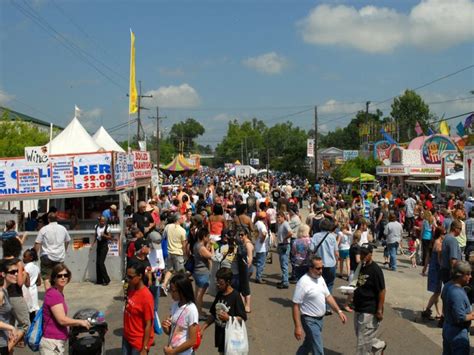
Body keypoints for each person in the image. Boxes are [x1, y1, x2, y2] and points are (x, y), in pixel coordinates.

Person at [292, 256, 347, 355]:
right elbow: (296, 305)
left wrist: (339, 311)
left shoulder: (320, 278)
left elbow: (328, 296)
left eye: (322, 267)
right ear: (310, 268)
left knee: (308, 344)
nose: (321, 271)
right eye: (318, 268)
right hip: (309, 320)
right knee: (318, 350)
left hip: (320, 320)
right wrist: (297, 326)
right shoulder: (303, 282)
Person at [40, 264, 90, 354]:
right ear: (54, 278)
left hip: (55, 341)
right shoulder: (54, 294)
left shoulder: (58, 293)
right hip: (52, 342)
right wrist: (80, 322)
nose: (63, 278)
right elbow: (62, 320)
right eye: (59, 276)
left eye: (65, 275)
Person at [202, 267, 247, 355]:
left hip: (231, 337)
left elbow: (242, 318)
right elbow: (213, 314)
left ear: (228, 282)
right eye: (217, 282)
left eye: (221, 283)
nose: (218, 285)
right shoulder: (220, 294)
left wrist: (228, 318)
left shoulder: (236, 296)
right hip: (220, 335)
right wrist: (202, 328)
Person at [353, 244, 386, 355]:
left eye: (365, 254)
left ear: (371, 254)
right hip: (358, 307)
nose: (362, 256)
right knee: (361, 336)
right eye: (361, 253)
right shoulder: (361, 266)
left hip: (369, 309)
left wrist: (379, 310)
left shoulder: (376, 270)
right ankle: (379, 345)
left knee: (362, 344)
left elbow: (382, 291)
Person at [161, 273, 199, 355]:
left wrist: (173, 352)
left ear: (182, 291)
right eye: (170, 290)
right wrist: (166, 328)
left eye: (173, 291)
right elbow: (173, 331)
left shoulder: (191, 310)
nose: (171, 293)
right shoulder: (175, 304)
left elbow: (192, 340)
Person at [441, 261, 473, 355]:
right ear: (460, 275)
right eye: (468, 274)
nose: (470, 276)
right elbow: (460, 317)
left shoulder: (447, 285)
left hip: (447, 326)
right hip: (457, 333)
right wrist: (471, 316)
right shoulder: (457, 293)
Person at [123, 263, 154, 354]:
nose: (127, 279)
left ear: (140, 276)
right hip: (127, 337)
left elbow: (149, 324)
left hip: (138, 342)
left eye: (130, 277)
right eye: (126, 276)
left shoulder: (146, 297)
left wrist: (144, 348)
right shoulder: (131, 288)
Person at [34, 212, 71, 290]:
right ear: (56, 219)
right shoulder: (63, 228)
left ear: (48, 219)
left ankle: (49, 296)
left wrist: (34, 254)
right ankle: (59, 295)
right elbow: (67, 240)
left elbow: (37, 243)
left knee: (46, 277)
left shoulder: (43, 229)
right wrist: (64, 249)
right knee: (60, 276)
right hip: (59, 256)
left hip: (46, 256)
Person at [310, 218, 338, 313]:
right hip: (331, 264)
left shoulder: (316, 236)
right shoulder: (332, 237)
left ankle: (318, 305)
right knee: (329, 284)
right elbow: (336, 253)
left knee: (318, 285)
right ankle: (327, 307)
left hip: (319, 264)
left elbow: (311, 248)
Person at [422, 227, 445, 321]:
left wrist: (424, 268)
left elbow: (427, 257)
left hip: (432, 268)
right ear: (441, 234)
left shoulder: (433, 242)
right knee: (437, 292)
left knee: (436, 292)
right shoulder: (439, 243)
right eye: (444, 233)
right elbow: (439, 260)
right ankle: (427, 310)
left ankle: (438, 313)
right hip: (437, 269)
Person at [0, 259, 23, 355]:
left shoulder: (5, 291)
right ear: (3, 274)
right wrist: (11, 327)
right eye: (12, 272)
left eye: (17, 271)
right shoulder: (0, 293)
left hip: (4, 341)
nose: (16, 274)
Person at [161, 213, 187, 294]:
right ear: (178, 219)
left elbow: (163, 236)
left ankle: (164, 284)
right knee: (180, 272)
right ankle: (178, 288)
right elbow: (183, 244)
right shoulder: (182, 230)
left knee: (169, 270)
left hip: (169, 251)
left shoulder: (168, 226)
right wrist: (185, 254)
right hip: (178, 252)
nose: (183, 219)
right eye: (182, 218)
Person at [192, 227, 213, 318]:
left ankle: (198, 311)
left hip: (197, 271)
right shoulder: (201, 248)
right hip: (202, 272)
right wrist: (212, 247)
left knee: (198, 293)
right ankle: (198, 314)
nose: (209, 238)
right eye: (207, 236)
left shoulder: (196, 245)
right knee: (200, 295)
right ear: (204, 236)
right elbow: (212, 256)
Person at [90, 216, 114, 286]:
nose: (102, 222)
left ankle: (107, 279)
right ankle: (99, 280)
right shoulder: (96, 227)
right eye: (101, 221)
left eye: (104, 221)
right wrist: (92, 245)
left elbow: (110, 237)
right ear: (99, 221)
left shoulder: (107, 227)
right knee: (97, 263)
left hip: (104, 246)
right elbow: (95, 236)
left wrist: (105, 235)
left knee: (101, 263)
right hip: (99, 245)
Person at [440, 220, 463, 284]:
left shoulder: (446, 237)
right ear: (455, 228)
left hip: (445, 269)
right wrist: (454, 275)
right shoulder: (452, 240)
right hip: (450, 271)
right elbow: (453, 260)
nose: (461, 231)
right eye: (460, 229)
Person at [22, 248, 41, 322]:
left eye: (24, 256)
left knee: (26, 310)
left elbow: (27, 284)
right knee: (33, 312)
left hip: (27, 291)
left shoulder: (26, 268)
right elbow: (39, 283)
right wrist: (33, 283)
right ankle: (33, 328)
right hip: (34, 291)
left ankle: (27, 330)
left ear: (30, 258)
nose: (23, 258)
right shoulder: (36, 267)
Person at [276, 212, 293, 289]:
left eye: (279, 217)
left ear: (283, 217)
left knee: (284, 264)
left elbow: (290, 233)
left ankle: (285, 282)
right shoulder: (280, 224)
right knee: (282, 264)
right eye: (277, 217)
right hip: (281, 245)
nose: (278, 219)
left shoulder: (285, 224)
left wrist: (285, 239)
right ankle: (284, 280)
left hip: (285, 245)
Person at [254, 212, 269, 284]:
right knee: (261, 263)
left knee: (259, 262)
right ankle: (258, 277)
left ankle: (258, 276)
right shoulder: (262, 225)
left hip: (258, 245)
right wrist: (262, 240)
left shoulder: (256, 223)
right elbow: (264, 234)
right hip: (262, 247)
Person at [421, 210, 435, 276]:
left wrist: (420, 236)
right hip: (430, 237)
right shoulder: (432, 221)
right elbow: (434, 228)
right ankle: (429, 262)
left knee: (424, 250)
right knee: (429, 250)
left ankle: (424, 262)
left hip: (425, 236)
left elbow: (422, 229)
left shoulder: (424, 221)